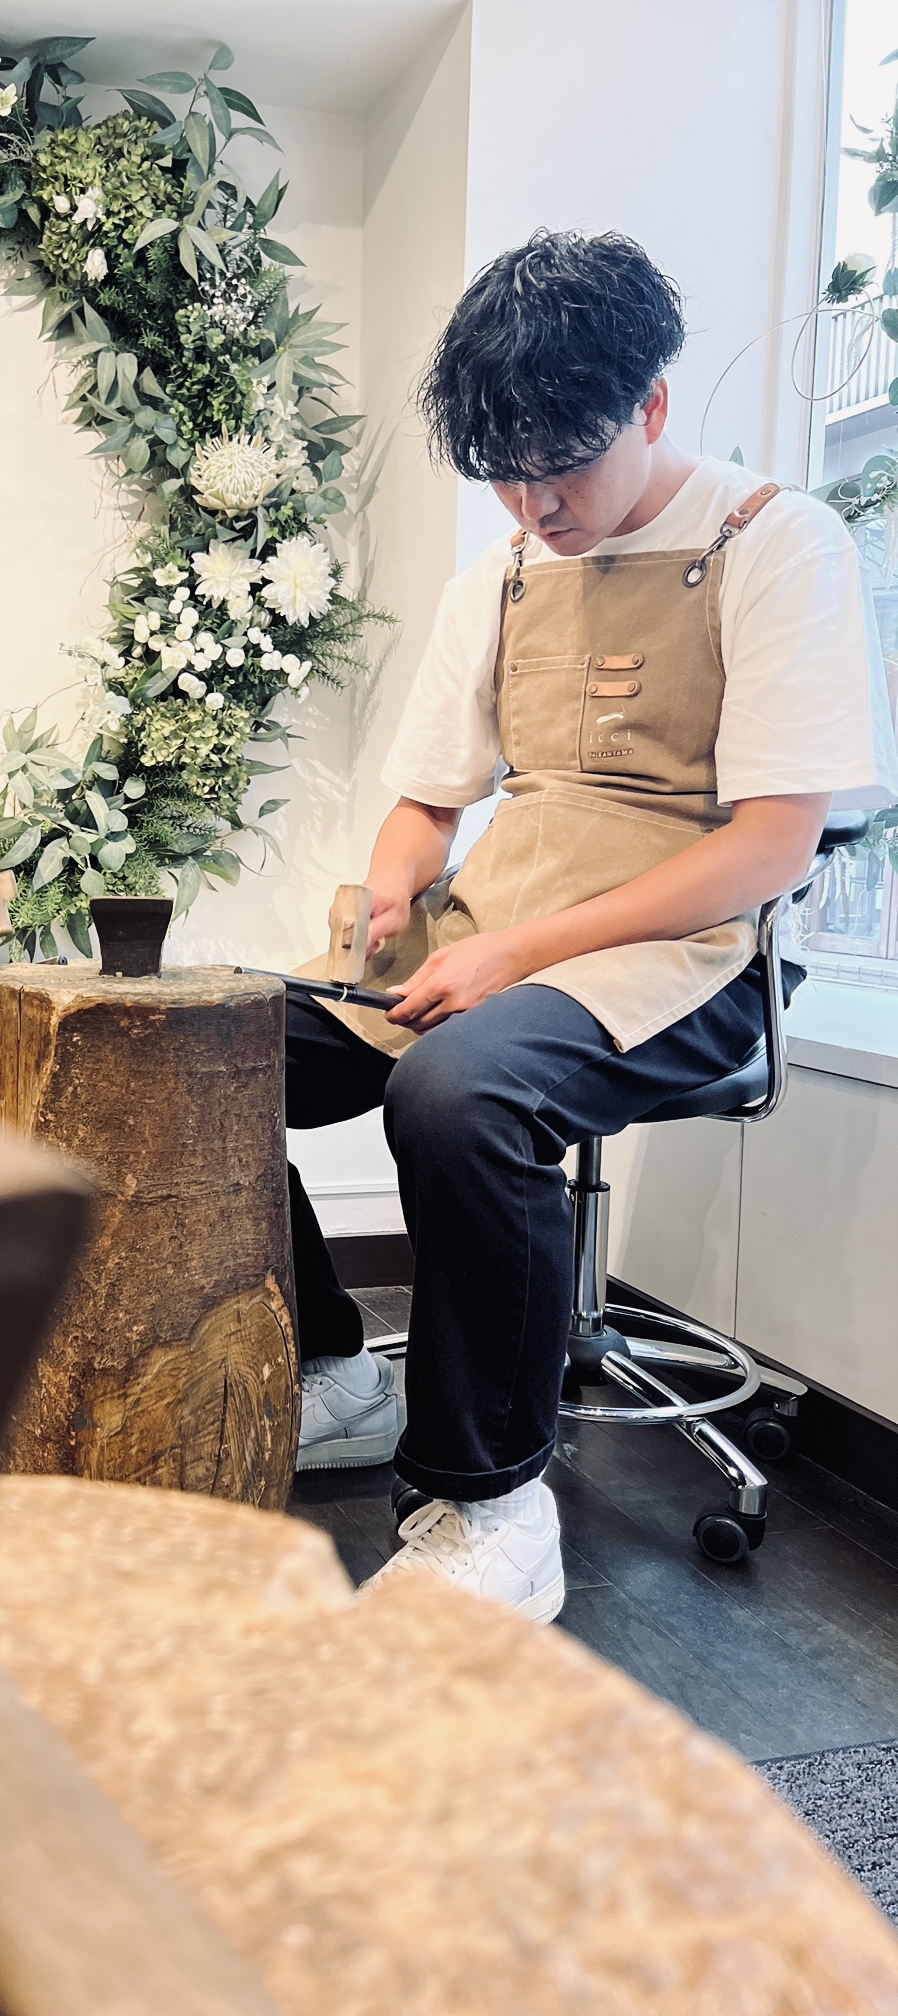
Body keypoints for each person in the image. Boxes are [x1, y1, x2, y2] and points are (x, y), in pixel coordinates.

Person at [288, 230, 898, 1621]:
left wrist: (514, 955)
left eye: (561, 466)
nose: (535, 504)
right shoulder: (501, 577)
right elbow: (426, 805)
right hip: (494, 932)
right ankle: (337, 1369)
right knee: (201, 1045)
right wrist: (395, 886)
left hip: (693, 956)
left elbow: (771, 846)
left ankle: (494, 1507)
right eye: (504, 474)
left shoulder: (773, 543)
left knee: (459, 1092)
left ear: (652, 405)